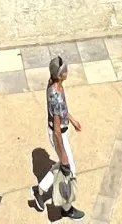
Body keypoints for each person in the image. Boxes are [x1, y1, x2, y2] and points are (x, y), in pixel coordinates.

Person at [29, 55, 85, 219]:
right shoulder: (56, 96)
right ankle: (67, 208)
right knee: (68, 169)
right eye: (65, 70)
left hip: (62, 129)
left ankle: (40, 190)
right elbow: (56, 131)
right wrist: (64, 154)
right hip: (58, 133)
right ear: (60, 76)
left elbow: (62, 111)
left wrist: (72, 120)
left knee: (62, 166)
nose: (67, 71)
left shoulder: (55, 85)